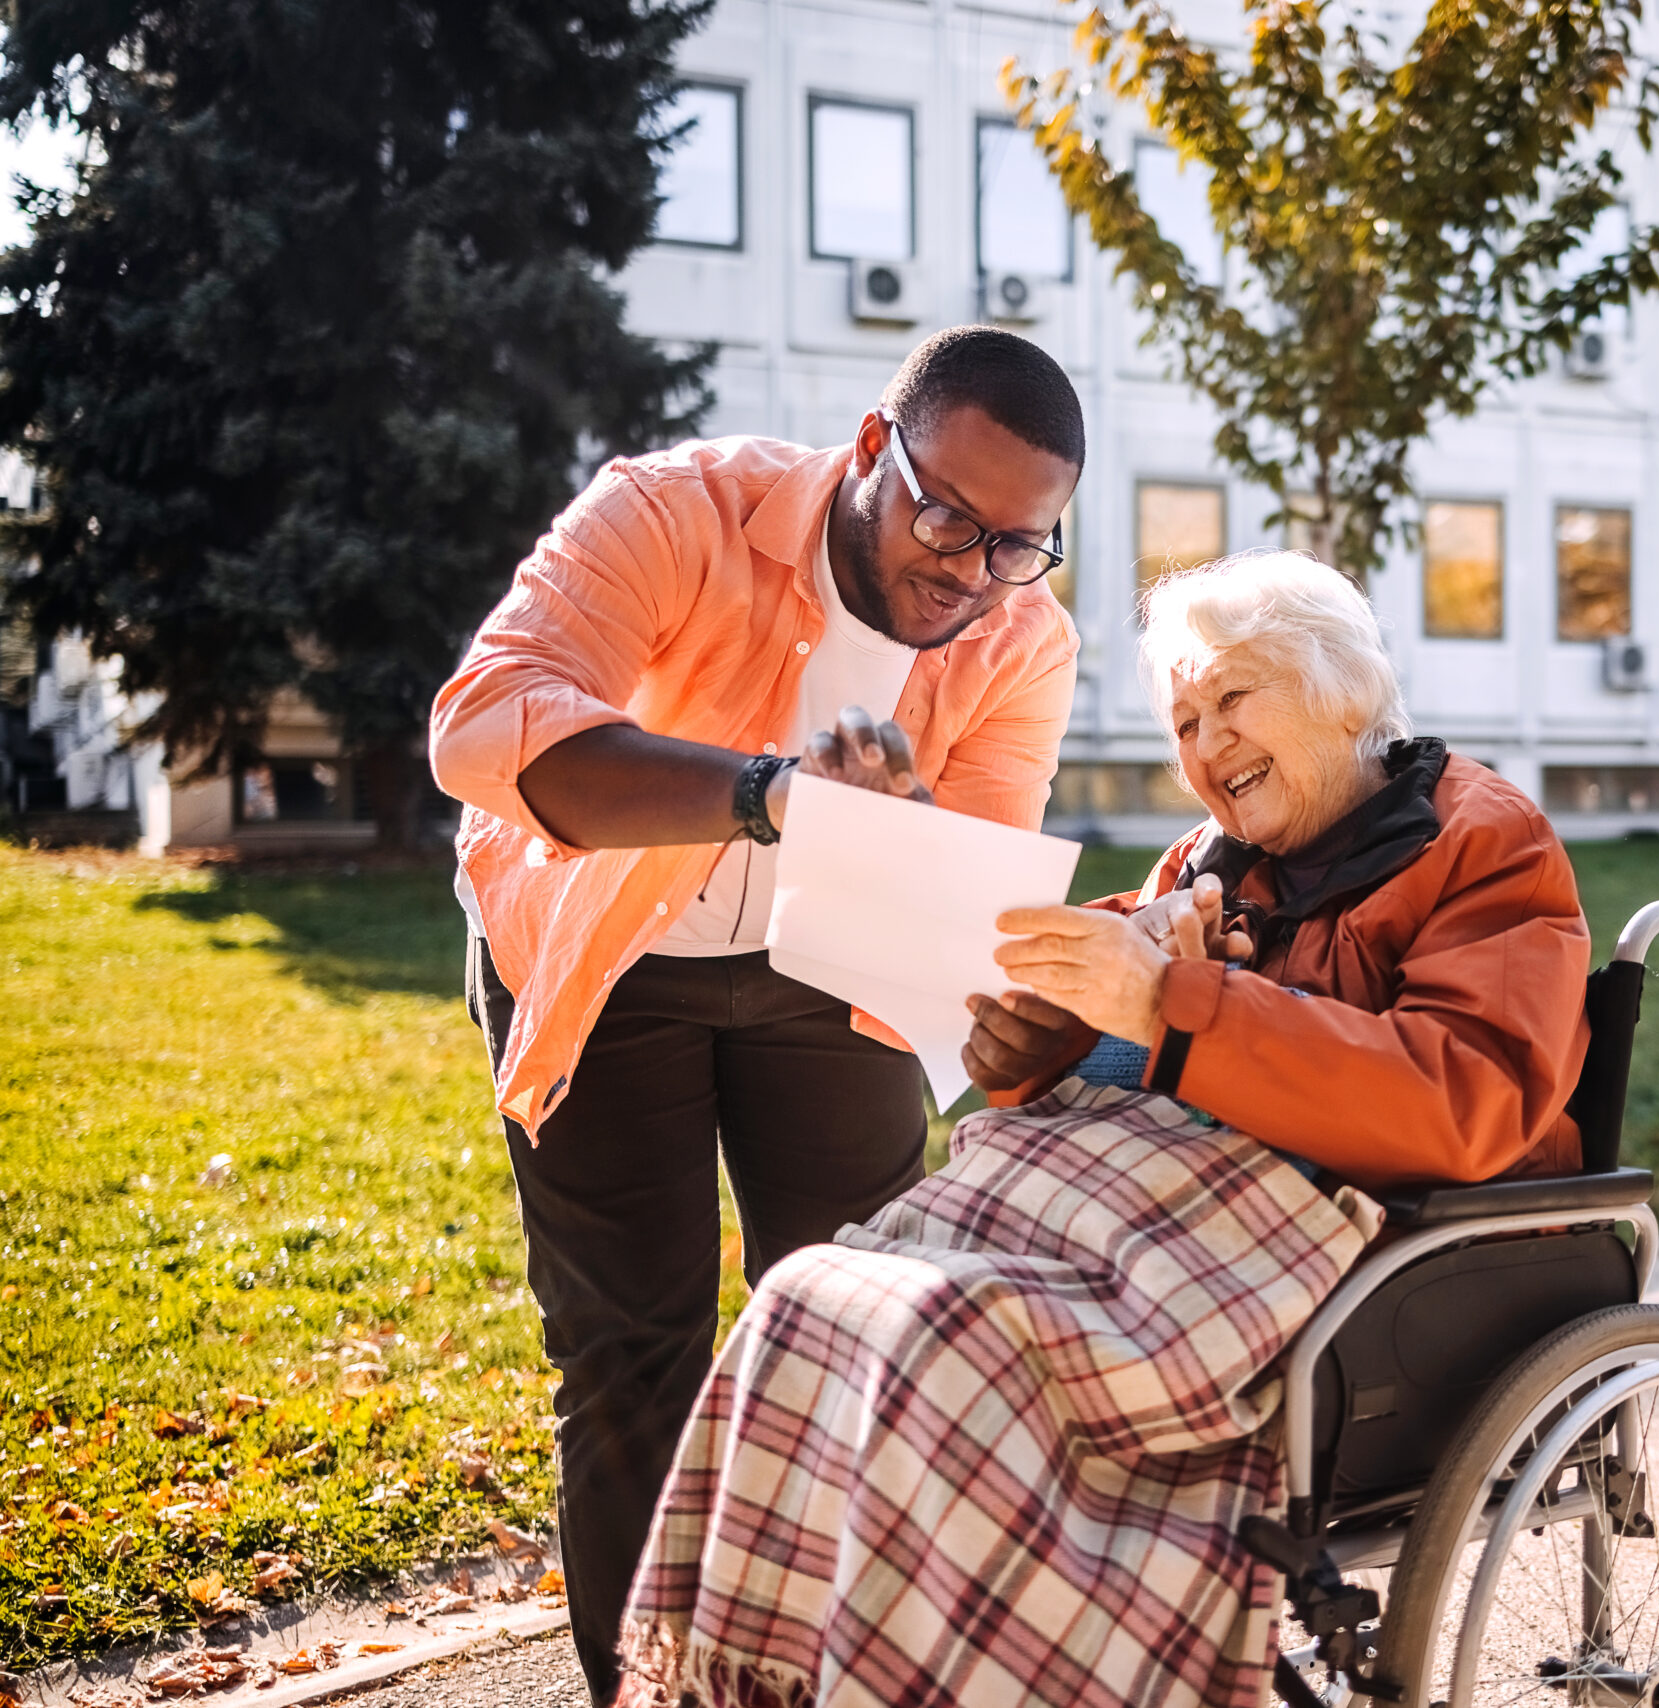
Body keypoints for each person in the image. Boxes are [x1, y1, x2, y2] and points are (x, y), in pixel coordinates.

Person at [615, 551, 1592, 1708]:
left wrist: (1178, 1006)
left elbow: (1463, 1100)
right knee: (809, 1295)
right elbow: (1088, 1023)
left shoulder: (1477, 836)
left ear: (1338, 687)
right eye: (1184, 720)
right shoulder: (1202, 865)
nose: (1205, 743)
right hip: (1147, 1212)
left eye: (1232, 699)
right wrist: (1023, 1037)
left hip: (1363, 1243)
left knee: (947, 1338)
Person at [427, 326, 1086, 1707]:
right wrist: (770, 794)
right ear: (867, 452)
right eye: (945, 516)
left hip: (829, 980)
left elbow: (967, 878)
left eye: (1015, 542)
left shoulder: (1021, 635)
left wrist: (902, 834)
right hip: (609, 951)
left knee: (860, 1338)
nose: (970, 572)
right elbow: (482, 725)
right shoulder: (675, 511)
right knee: (630, 1361)